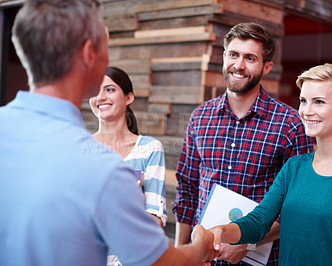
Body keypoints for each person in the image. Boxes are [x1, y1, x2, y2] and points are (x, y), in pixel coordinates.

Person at [0, 0, 217, 265]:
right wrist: (202, 246)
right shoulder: (105, 170)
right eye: (106, 43)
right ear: (90, 53)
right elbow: (159, 262)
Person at [209, 63, 332, 265]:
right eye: (303, 101)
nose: (306, 111)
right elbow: (259, 221)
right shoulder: (293, 167)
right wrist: (220, 231)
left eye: (319, 102)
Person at [172, 22, 313, 265]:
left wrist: (248, 244)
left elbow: (298, 205)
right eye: (234, 55)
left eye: (250, 58)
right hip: (204, 258)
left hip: (259, 260)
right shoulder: (200, 117)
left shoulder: (290, 124)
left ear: (266, 66)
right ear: (224, 56)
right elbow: (187, 191)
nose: (239, 65)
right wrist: (181, 254)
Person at [90, 66, 167, 228]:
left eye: (109, 90)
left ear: (128, 98)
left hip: (132, 253)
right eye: (94, 90)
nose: (100, 97)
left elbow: (156, 220)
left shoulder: (150, 149)